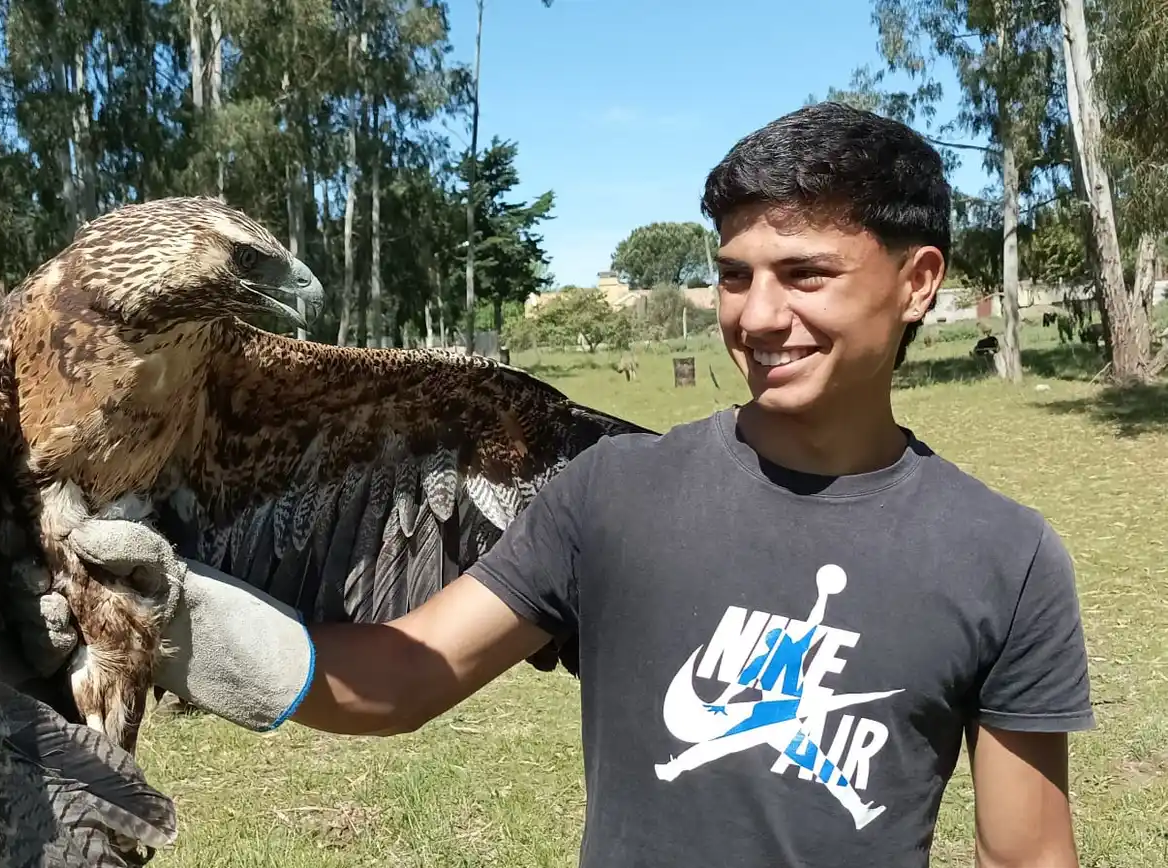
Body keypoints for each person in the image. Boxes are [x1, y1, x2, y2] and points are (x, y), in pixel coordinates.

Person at [77, 102, 1095, 867]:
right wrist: (185, 627)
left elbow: (1026, 853)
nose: (757, 313)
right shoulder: (612, 491)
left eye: (807, 273)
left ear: (919, 281)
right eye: (735, 274)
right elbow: (412, 671)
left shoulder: (1004, 557)